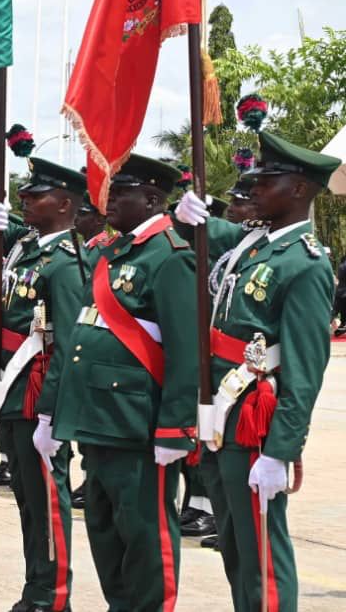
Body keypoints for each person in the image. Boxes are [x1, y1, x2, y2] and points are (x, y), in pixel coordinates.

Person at [176, 129, 339, 612]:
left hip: (254, 427)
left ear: (300, 189)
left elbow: (306, 371)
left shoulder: (306, 264)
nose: (254, 189)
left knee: (263, 553)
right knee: (236, 547)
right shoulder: (255, 246)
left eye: (267, 182)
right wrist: (190, 217)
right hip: (222, 418)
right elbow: (212, 233)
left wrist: (281, 451)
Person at [43, 154, 196, 612]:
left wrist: (175, 427)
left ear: (151, 199)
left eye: (121, 192)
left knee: (145, 534)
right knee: (105, 528)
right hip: (97, 419)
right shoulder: (111, 252)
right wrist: (58, 411)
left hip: (137, 422)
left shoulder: (170, 257)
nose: (107, 201)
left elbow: (186, 352)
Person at [0, 157, 87, 612]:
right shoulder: (29, 248)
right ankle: (35, 588)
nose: (24, 199)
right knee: (26, 499)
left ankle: (52, 597)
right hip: (12, 389)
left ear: (64, 204)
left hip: (36, 395)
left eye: (36, 195)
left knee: (46, 502)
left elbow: (69, 343)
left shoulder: (64, 263)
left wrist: (52, 413)